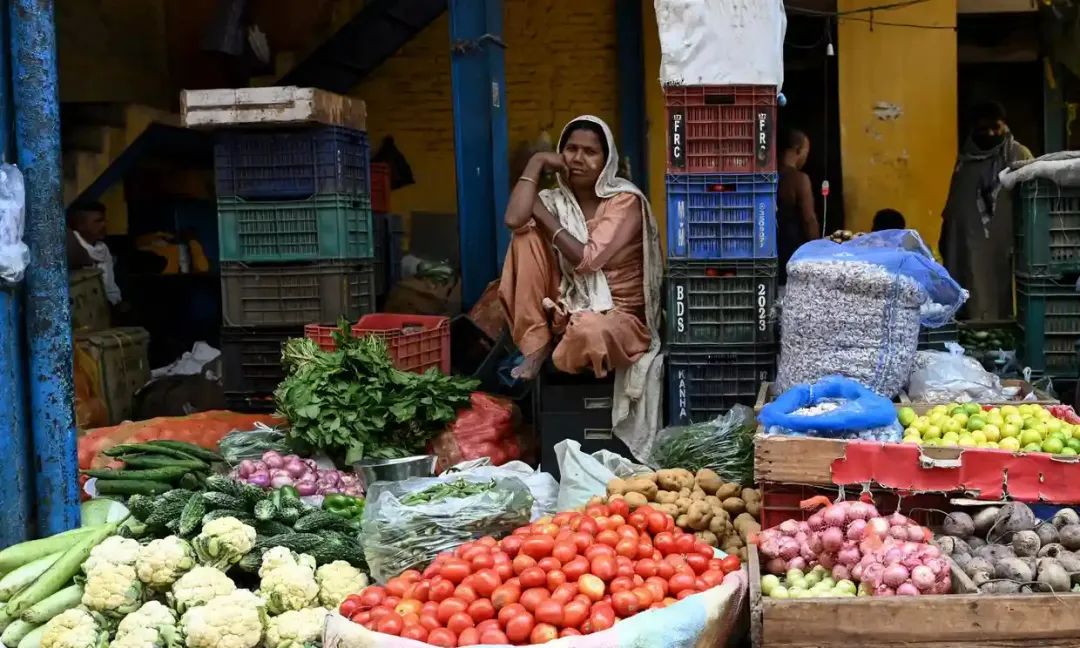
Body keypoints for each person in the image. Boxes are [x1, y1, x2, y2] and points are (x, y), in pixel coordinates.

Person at [499, 115, 663, 451]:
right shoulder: (555, 200)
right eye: (570, 149)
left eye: (590, 152)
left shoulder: (624, 201)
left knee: (589, 330)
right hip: (568, 304)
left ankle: (570, 333)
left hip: (621, 317)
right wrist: (537, 161)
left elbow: (587, 260)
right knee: (524, 239)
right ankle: (536, 344)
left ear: (607, 161)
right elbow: (514, 218)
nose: (578, 158)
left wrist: (542, 216)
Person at [940, 101, 1033, 320]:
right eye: (984, 129)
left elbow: (1030, 198)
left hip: (997, 240)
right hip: (962, 238)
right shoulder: (966, 157)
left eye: (996, 127)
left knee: (991, 285)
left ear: (1005, 126)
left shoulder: (1017, 154)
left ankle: (993, 335)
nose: (990, 133)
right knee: (964, 281)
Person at [776, 129, 819, 284]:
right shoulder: (799, 179)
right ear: (798, 150)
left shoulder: (765, 175)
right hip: (791, 251)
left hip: (765, 249)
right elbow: (809, 219)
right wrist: (817, 251)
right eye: (806, 151)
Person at [67, 201, 122, 305]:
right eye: (98, 221)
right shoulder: (71, 247)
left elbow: (110, 285)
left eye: (104, 220)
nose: (104, 225)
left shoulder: (102, 248)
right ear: (80, 225)